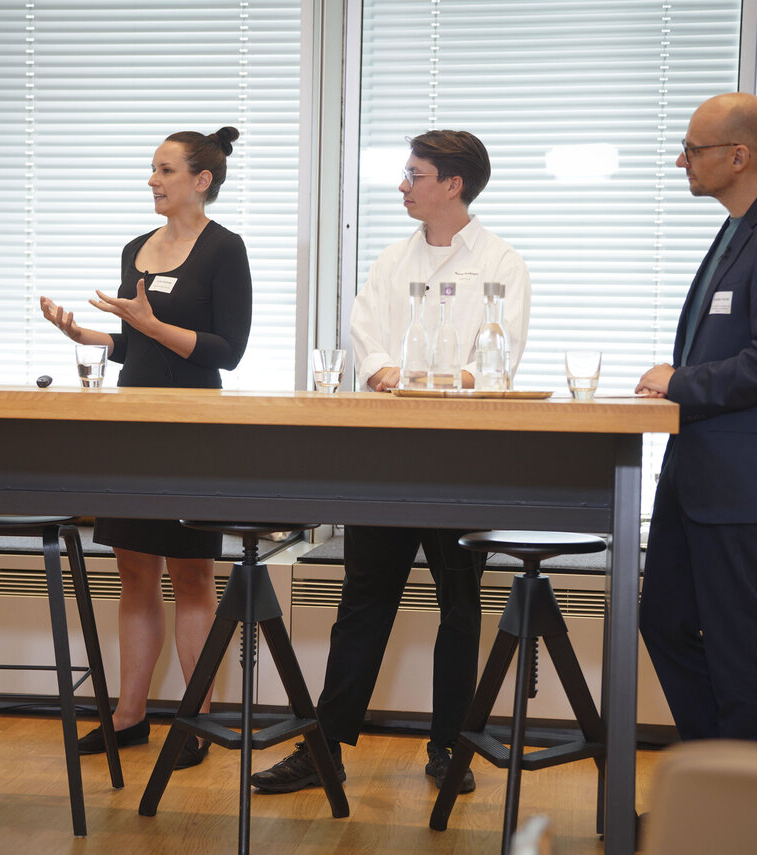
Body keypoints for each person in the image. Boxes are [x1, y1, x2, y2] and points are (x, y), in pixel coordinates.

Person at [251, 130, 530, 794]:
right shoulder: (389, 261)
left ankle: (448, 748)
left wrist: (434, 379)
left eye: (414, 174)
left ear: (452, 184)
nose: (403, 186)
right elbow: (366, 337)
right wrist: (387, 372)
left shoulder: (502, 262)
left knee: (459, 606)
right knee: (363, 602)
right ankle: (326, 749)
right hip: (388, 455)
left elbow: (497, 357)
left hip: (464, 458)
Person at [39, 127, 252, 769]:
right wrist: (89, 335)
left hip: (193, 428)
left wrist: (153, 325)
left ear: (200, 180)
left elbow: (228, 352)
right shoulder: (137, 247)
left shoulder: (224, 250)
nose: (152, 181)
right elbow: (140, 345)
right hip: (133, 423)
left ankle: (197, 721)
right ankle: (129, 718)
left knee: (191, 574)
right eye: (152, 170)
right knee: (133, 569)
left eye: (163, 170)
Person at [635, 92, 757, 741]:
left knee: (737, 643)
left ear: (738, 155)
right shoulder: (737, 230)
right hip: (696, 469)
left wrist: (679, 382)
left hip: (740, 478)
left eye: (693, 149)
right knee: (662, 621)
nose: (680, 160)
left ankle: (747, 805)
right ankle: (716, 773)